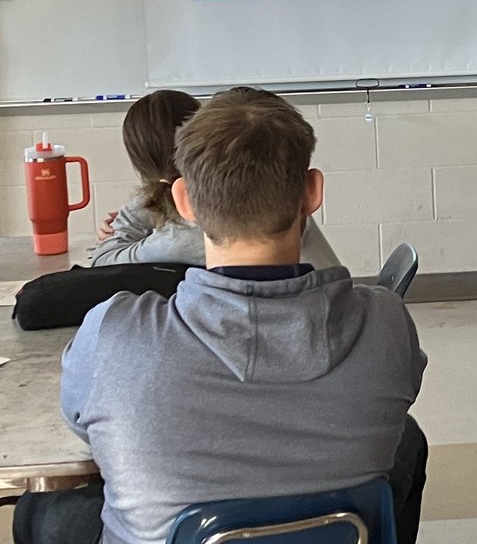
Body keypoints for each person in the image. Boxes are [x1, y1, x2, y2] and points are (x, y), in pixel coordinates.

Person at [14, 87, 428, 544]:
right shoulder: (387, 325)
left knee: (40, 513)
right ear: (312, 192)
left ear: (184, 201)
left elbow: (81, 425)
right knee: (406, 440)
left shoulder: (114, 335)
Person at [91, 88, 340, 268]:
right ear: (310, 192)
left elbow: (104, 260)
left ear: (184, 198)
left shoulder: (181, 237)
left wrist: (143, 204)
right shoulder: (279, 194)